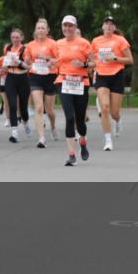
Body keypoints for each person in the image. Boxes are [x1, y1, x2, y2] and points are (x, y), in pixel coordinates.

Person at [54, 15, 94, 167]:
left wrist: (82, 64)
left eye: (70, 26)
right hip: (64, 82)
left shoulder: (84, 43)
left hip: (81, 83)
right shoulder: (58, 44)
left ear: (76, 27)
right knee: (69, 118)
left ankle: (82, 140)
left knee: (79, 120)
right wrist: (51, 62)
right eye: (65, 26)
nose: (67, 29)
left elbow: (93, 63)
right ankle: (71, 155)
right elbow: (55, 61)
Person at [91, 16, 134, 151]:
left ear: (114, 28)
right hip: (101, 76)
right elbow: (92, 59)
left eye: (111, 24)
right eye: (106, 24)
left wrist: (115, 58)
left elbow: (130, 60)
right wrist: (91, 70)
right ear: (102, 27)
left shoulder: (120, 40)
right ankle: (108, 140)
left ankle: (118, 119)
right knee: (104, 107)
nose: (109, 26)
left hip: (116, 76)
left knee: (114, 112)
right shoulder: (96, 41)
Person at [24, 18, 59, 148]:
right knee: (39, 107)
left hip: (50, 76)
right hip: (35, 76)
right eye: (38, 28)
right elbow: (27, 61)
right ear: (35, 30)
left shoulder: (53, 44)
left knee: (49, 110)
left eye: (43, 28)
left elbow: (59, 60)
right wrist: (27, 60)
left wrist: (48, 59)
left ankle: (53, 126)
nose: (40, 30)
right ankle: (41, 137)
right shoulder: (30, 45)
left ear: (47, 30)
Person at [0, 29, 30, 144]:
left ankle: (26, 123)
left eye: (17, 37)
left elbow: (28, 67)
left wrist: (19, 62)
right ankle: (14, 132)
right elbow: (5, 63)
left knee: (23, 107)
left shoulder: (25, 49)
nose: (15, 40)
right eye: (13, 37)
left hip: (22, 79)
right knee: (12, 104)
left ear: (22, 38)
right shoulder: (7, 49)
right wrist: (3, 68)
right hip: (10, 78)